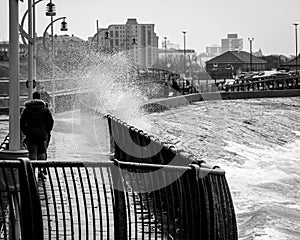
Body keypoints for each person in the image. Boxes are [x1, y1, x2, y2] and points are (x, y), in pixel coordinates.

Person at [20, 92, 54, 176]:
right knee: (42, 152)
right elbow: (50, 122)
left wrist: (26, 132)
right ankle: (41, 170)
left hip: (31, 135)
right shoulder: (45, 109)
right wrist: (47, 131)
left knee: (32, 153)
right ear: (40, 98)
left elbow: (22, 122)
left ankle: (32, 171)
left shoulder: (27, 109)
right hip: (42, 135)